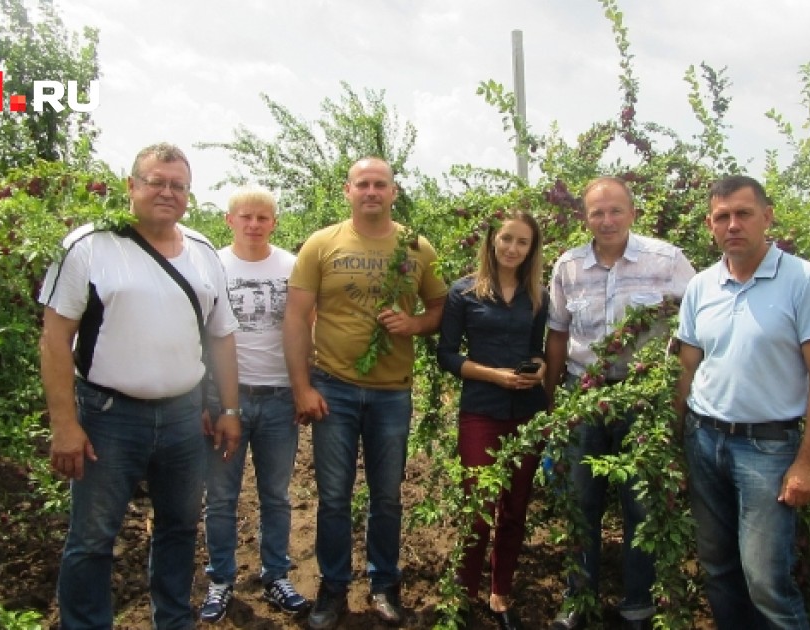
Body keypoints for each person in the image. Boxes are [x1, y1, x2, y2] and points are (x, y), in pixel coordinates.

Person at [38, 142, 242, 629]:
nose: (166, 193)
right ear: (131, 186)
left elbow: (221, 337)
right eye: (155, 181)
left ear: (189, 195)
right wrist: (65, 425)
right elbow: (54, 338)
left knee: (178, 528)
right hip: (110, 416)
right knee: (92, 538)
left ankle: (172, 621)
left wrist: (229, 409)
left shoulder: (203, 252)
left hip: (183, 417)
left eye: (178, 185)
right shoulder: (90, 245)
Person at [283, 157, 448, 630]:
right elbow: (296, 318)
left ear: (393, 192)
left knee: (388, 495)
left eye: (380, 184)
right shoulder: (322, 244)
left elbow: (439, 307)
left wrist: (416, 324)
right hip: (332, 389)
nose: (372, 191)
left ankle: (384, 584)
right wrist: (302, 387)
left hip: (391, 393)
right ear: (347, 190)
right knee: (333, 496)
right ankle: (333, 589)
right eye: (363, 184)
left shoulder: (416, 246)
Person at [674, 175, 810, 629]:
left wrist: (808, 463)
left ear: (767, 217)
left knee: (766, 580)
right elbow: (687, 368)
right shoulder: (702, 286)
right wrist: (676, 445)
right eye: (722, 216)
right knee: (718, 567)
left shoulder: (804, 281)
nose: (733, 225)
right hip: (704, 440)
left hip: (768, 450)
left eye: (743, 214)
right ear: (710, 225)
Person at [544, 176, 696, 630]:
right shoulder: (567, 266)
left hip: (644, 398)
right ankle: (579, 601)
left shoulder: (667, 261)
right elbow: (556, 335)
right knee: (578, 501)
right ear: (583, 217)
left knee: (642, 506)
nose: (606, 220)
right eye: (596, 212)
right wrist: (554, 404)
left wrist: (676, 399)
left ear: (633, 212)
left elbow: (696, 331)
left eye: (615, 211)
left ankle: (638, 606)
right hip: (582, 393)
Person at [197, 187, 309, 623]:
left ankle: (276, 574)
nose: (254, 225)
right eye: (245, 217)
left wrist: (304, 386)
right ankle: (221, 579)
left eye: (263, 218)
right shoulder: (212, 266)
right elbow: (202, 335)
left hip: (280, 397)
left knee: (276, 495)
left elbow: (306, 328)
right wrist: (209, 400)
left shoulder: (292, 265)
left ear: (274, 223)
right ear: (229, 220)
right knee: (221, 496)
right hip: (229, 399)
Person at [436, 210, 550, 630]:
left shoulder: (537, 295)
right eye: (506, 239)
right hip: (481, 407)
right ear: (491, 240)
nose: (512, 248)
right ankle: (463, 590)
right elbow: (446, 355)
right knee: (477, 504)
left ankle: (501, 592)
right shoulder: (463, 292)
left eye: (522, 242)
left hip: (527, 410)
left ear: (531, 249)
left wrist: (538, 368)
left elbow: (538, 348)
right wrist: (493, 375)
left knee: (515, 506)